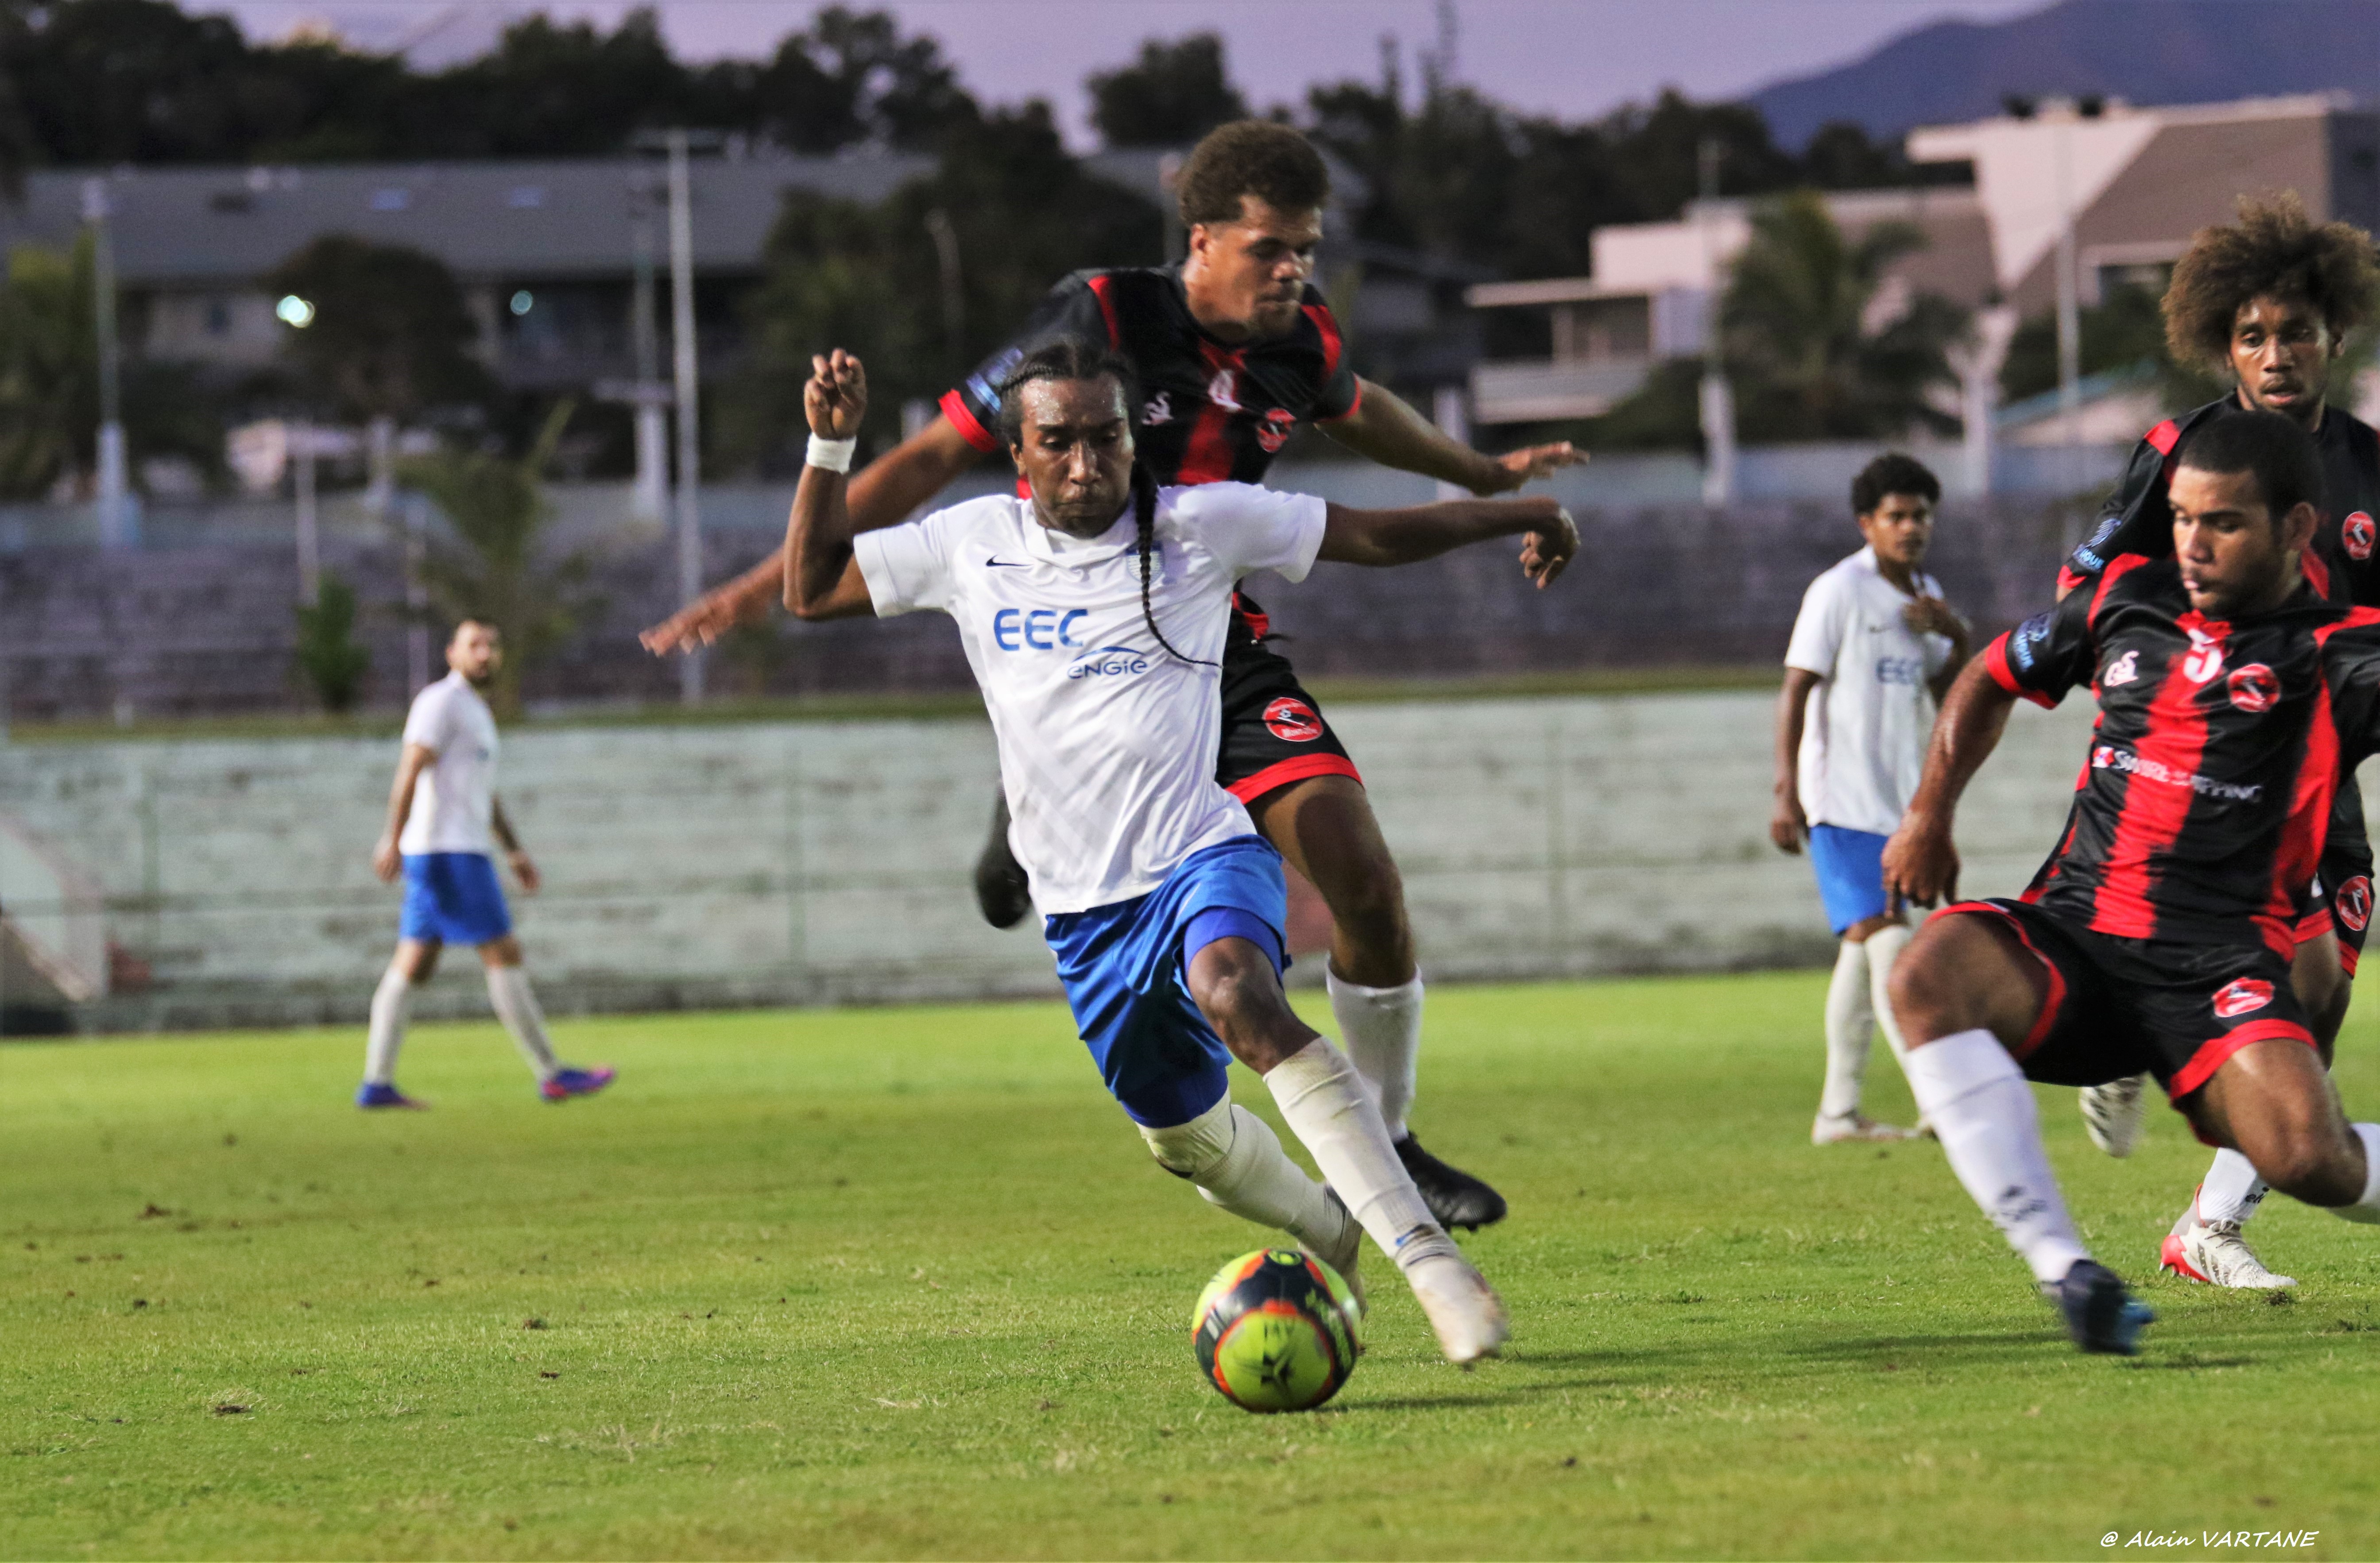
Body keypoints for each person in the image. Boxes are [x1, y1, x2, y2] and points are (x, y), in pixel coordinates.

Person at [642, 121, 1579, 1233]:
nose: (1294, 270)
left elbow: (1365, 412)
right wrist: (768, 580)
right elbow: (940, 452)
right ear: (1202, 241)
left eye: (1306, 249)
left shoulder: (1300, 339)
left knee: (1361, 877)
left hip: (1214, 641)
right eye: (1271, 248)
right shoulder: (1099, 316)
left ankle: (1388, 1141)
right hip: (1085, 641)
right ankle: (1027, 808)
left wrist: (1484, 471)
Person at [781, 337, 1577, 1360]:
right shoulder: (966, 543)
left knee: (1239, 994)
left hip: (1205, 848)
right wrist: (829, 446)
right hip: (1082, 912)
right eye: (1056, 442)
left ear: (1130, 437)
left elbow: (1376, 534)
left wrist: (1526, 510)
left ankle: (1433, 1268)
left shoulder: (1200, 523)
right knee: (1185, 1145)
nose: (1084, 463)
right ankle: (1326, 1224)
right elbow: (807, 588)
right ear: (1018, 457)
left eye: (1104, 437)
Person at [1880, 411, 2380, 1356]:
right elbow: (1987, 676)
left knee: (2311, 1159)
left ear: (2294, 529)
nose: (2190, 542)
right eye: (2183, 517)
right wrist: (1927, 813)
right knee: (1922, 973)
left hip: (2214, 971)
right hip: (2073, 937)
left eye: (2222, 522)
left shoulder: (2344, 652)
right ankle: (2064, 1268)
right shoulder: (2122, 599)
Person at [2057, 193, 2380, 1288]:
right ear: (2220, 344)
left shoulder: (2369, 471)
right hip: (2195, 783)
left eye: (2293, 331)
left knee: (2323, 993)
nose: (2274, 354)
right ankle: (2124, 1043)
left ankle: (2202, 1217)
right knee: (2261, 979)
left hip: (2316, 785)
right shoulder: (2181, 450)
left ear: (2333, 334)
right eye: (2250, 335)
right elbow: (2085, 584)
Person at [1772, 453, 1970, 1143]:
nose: (1911, 526)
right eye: (1896, 515)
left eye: (1920, 514)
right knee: (1892, 949)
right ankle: (1941, 1102)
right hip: (1838, 801)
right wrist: (1785, 791)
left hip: (1894, 809)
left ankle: (1836, 1113)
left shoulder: (1923, 598)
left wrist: (1955, 634)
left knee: (1861, 957)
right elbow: (1796, 686)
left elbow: (1949, 698)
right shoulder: (1838, 590)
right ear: (1867, 523)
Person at [358, 621, 614, 1109]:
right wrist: (391, 838)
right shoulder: (441, 702)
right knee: (504, 952)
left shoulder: (474, 711)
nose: (484, 654)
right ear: (451, 652)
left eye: (492, 646)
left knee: (413, 963)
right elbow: (411, 767)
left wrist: (514, 849)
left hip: (452, 849)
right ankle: (552, 1074)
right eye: (474, 645)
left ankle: (376, 1083)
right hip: (448, 853)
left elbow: (482, 793)